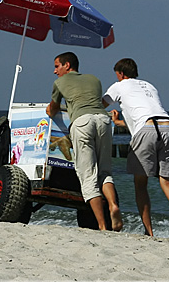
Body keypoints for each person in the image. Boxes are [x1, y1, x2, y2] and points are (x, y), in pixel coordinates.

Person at [103, 58, 169, 242]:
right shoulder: (149, 86)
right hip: (166, 127)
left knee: (140, 184)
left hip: (146, 129)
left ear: (121, 73)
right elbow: (144, 119)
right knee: (167, 183)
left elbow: (100, 103)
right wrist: (119, 122)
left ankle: (149, 232)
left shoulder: (119, 86)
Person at [46, 51, 122, 232]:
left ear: (67, 65)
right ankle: (113, 205)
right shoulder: (94, 79)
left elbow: (52, 110)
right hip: (103, 121)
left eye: (57, 66)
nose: (55, 71)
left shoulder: (59, 83)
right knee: (104, 171)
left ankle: (102, 226)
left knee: (87, 176)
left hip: (82, 122)